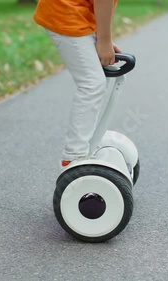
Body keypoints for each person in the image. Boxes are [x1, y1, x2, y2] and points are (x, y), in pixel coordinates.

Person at [33, 0, 122, 172]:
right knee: (92, 83)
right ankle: (73, 157)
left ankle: (86, 146)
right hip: (66, 12)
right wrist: (104, 40)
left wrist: (103, 38)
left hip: (77, 13)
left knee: (98, 77)